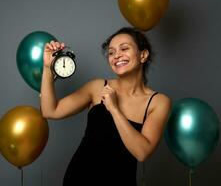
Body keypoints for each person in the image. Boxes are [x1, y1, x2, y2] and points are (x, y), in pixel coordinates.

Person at [40, 27, 171, 186]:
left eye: (124, 48)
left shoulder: (158, 102)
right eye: (111, 52)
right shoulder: (97, 87)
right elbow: (50, 111)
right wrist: (48, 67)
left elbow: (142, 152)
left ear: (143, 55)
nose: (116, 55)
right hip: (78, 179)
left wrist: (114, 109)